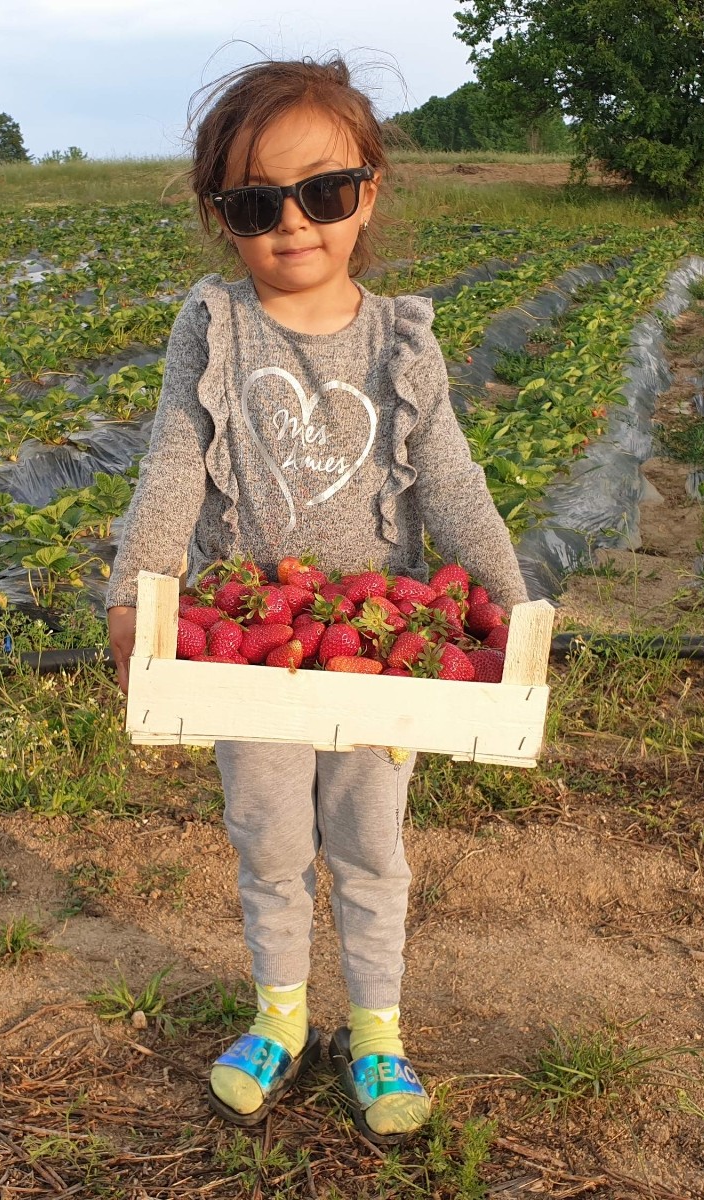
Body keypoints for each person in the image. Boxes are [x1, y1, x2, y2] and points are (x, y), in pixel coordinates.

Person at [104, 56, 529, 1144]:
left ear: (367, 192)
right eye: (256, 205)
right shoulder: (214, 327)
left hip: (386, 658)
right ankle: (281, 1017)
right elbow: (171, 464)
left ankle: (376, 1032)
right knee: (265, 837)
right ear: (221, 219)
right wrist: (135, 592)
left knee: (369, 843)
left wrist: (511, 604)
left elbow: (451, 481)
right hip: (248, 649)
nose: (293, 224)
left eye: (323, 194)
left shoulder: (400, 341)